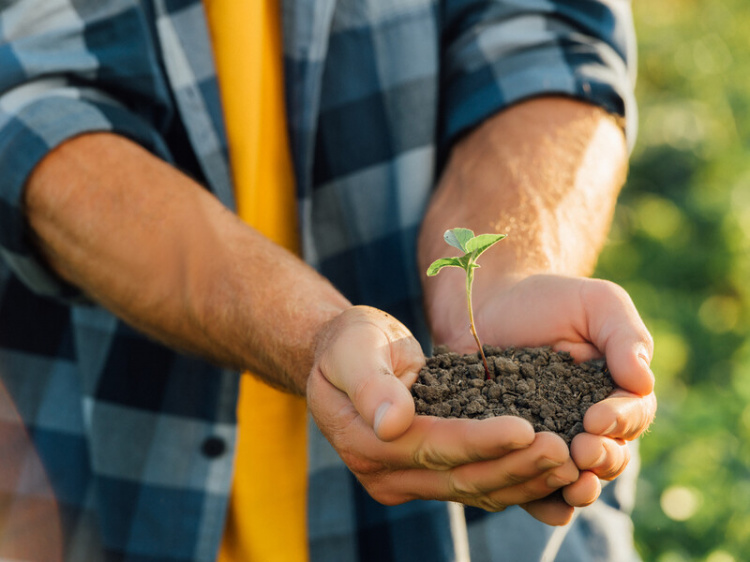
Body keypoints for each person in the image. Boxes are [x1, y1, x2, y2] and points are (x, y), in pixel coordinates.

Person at [0, 0, 656, 561]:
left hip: (479, 532)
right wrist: (314, 331)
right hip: (87, 487)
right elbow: (35, 109)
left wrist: (511, 268)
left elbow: (543, 36)